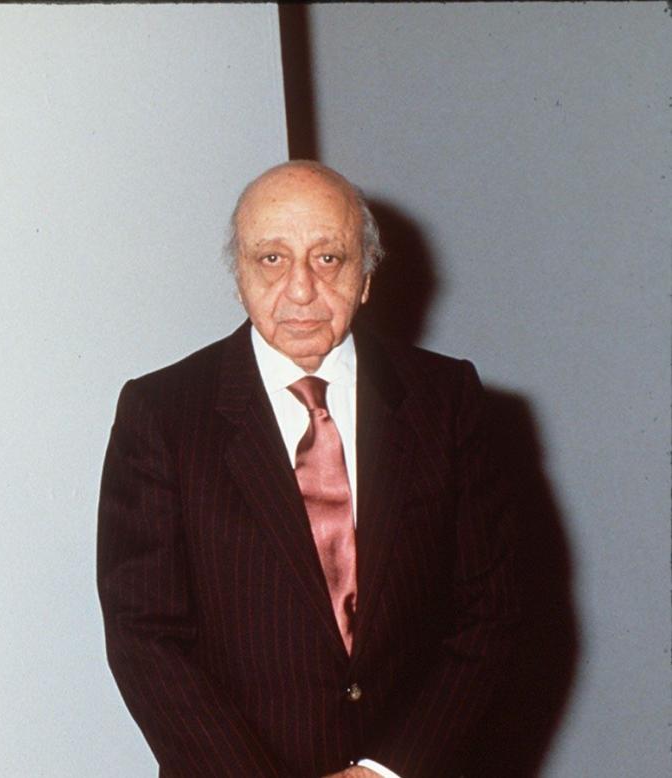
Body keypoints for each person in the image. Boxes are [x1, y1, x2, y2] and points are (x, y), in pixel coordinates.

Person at [97, 161, 518, 777]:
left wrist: (386, 769)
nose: (300, 290)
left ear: (367, 276)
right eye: (272, 258)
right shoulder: (161, 414)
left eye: (329, 259)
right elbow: (145, 637)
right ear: (239, 275)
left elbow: (490, 610)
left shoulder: (446, 399)